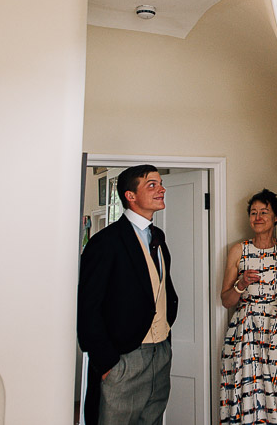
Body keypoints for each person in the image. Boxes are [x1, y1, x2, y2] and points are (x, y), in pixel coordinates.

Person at [78, 164, 179, 425]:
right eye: (152, 185)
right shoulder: (105, 243)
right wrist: (107, 362)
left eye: (160, 183)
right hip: (124, 358)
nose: (162, 189)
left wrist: (165, 340)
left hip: (161, 353)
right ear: (130, 196)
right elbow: (88, 308)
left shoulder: (159, 238)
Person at [219, 189, 277, 424]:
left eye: (264, 212)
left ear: (276, 217)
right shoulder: (238, 251)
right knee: (247, 389)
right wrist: (241, 284)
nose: (257, 217)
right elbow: (226, 300)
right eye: (253, 212)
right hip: (245, 329)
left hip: (276, 329)